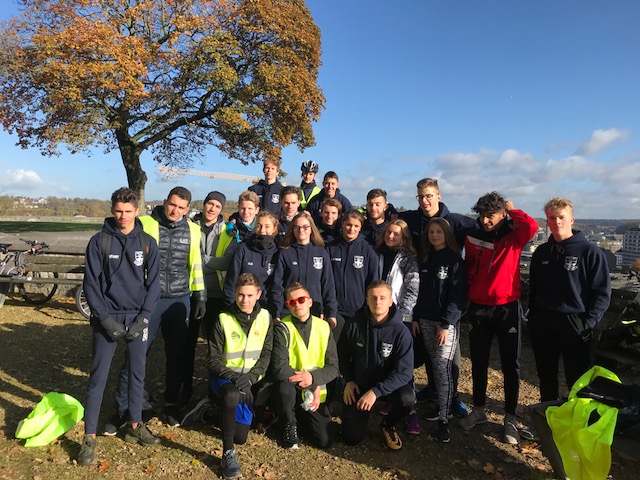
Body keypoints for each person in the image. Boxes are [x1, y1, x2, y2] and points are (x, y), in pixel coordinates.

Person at [109, 186, 206, 430]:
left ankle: (172, 405)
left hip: (178, 300)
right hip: (147, 301)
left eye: (181, 208)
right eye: (172, 204)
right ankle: (123, 407)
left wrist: (201, 296)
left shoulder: (194, 230)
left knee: (177, 357)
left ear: (188, 209)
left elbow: (195, 265)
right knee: (135, 354)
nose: (175, 211)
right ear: (165, 202)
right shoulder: (145, 224)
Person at [78, 188, 161, 465]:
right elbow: (90, 285)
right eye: (118, 211)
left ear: (137, 211)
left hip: (137, 318)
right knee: (98, 378)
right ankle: (89, 436)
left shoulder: (148, 242)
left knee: (138, 375)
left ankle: (135, 426)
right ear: (112, 211)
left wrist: (144, 318)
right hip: (108, 317)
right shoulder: (98, 241)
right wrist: (105, 319)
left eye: (128, 211)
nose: (123, 216)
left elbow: (154, 286)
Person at [459, 192, 538, 445]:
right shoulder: (473, 235)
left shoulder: (513, 235)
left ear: (502, 214)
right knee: (479, 361)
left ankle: (510, 418)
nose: (485, 221)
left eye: (490, 216)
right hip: (479, 307)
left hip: (507, 307)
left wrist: (513, 209)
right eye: (481, 216)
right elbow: (470, 265)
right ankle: (479, 409)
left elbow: (532, 226)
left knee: (510, 365)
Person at [399, 178, 475, 410]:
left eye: (429, 196)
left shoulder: (456, 221)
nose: (425, 201)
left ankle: (452, 397)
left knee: (449, 355)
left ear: (438, 196)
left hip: (447, 296)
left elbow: (484, 227)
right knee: (430, 350)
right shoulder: (414, 218)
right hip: (424, 298)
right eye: (421, 196)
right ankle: (433, 389)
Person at [528, 198, 611, 402]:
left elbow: (602, 291)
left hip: (575, 322)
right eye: (551, 218)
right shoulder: (541, 252)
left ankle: (575, 422)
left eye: (561, 217)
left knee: (577, 378)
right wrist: (534, 317)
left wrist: (588, 322)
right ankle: (548, 416)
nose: (557, 222)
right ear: (547, 221)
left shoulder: (590, 252)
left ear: (571, 219)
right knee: (546, 375)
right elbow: (534, 287)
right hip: (544, 322)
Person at [205, 273, 273, 480]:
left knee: (241, 436)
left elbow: (266, 354)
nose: (245, 300)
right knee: (232, 396)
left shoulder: (266, 317)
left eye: (250, 295)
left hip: (249, 380)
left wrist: (251, 378)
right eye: (241, 295)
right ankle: (228, 453)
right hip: (225, 378)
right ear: (234, 294)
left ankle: (209, 411)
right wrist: (235, 378)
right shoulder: (223, 319)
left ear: (258, 294)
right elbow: (212, 360)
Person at [338, 281, 414, 450]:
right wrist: (348, 380)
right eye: (373, 298)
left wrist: (376, 391)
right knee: (351, 438)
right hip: (360, 385)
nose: (377, 302)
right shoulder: (354, 324)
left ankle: (388, 424)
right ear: (366, 300)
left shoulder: (401, 332)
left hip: (388, 387)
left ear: (390, 301)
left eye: (382, 298)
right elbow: (342, 354)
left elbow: (404, 373)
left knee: (407, 399)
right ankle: (358, 415)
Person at [414, 218, 466, 443]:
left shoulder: (455, 261)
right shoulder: (424, 258)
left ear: (446, 234)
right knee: (433, 365)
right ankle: (439, 407)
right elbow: (417, 291)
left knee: (443, 367)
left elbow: (457, 297)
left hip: (444, 324)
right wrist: (415, 317)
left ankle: (445, 419)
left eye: (439, 232)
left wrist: (446, 324)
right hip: (424, 320)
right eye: (431, 232)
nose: (435, 235)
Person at [271, 282, 339, 449]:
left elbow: (333, 367)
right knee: (283, 388)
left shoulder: (324, 327)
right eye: (291, 302)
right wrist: (308, 382)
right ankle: (289, 424)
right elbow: (279, 368)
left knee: (325, 441)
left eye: (301, 300)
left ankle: (300, 416)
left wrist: (313, 379)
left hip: (314, 395)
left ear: (310, 302)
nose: (297, 305)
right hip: (292, 388)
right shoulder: (282, 328)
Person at [183, 191, 232, 408]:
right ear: (203, 205)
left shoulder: (228, 231)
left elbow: (228, 261)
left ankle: (214, 394)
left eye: (217, 206)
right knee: (187, 344)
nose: (212, 209)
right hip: (191, 292)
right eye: (210, 204)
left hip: (216, 295)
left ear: (221, 210)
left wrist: (201, 260)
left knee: (215, 348)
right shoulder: (189, 225)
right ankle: (184, 390)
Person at [375, 219, 420, 434]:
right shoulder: (378, 253)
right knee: (384, 359)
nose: (391, 236)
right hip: (377, 314)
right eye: (388, 232)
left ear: (404, 237)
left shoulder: (408, 259)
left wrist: (402, 318)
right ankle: (388, 398)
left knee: (403, 364)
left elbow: (412, 290)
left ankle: (410, 411)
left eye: (396, 234)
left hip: (398, 319)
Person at [270, 211, 338, 327]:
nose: (301, 230)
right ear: (293, 230)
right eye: (297, 227)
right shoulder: (285, 254)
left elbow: (328, 286)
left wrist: (331, 313)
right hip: (289, 312)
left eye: (305, 227)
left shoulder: (321, 253)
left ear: (312, 229)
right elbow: (277, 286)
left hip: (315, 312)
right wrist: (277, 312)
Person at [326, 209, 379, 342]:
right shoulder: (330, 248)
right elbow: (325, 280)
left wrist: (369, 309)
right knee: (337, 351)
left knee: (356, 352)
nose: (351, 229)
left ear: (361, 227)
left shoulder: (369, 250)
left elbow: (374, 282)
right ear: (343, 223)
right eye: (349, 224)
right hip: (336, 310)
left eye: (356, 226)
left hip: (359, 311)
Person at [223, 211, 279, 307]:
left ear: (274, 229)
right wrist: (231, 306)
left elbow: (277, 287)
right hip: (243, 305)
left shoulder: (277, 253)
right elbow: (231, 281)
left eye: (267, 226)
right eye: (259, 225)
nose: (262, 230)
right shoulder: (243, 249)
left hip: (266, 307)